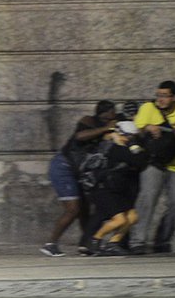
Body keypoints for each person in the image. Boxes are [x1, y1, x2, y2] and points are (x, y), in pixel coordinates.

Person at [40, 100, 118, 257]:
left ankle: (86, 244)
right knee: (73, 209)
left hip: (79, 171)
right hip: (64, 167)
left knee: (85, 209)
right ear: (102, 114)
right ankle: (51, 244)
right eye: (109, 115)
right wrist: (106, 128)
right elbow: (80, 136)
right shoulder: (88, 121)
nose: (112, 118)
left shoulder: (109, 127)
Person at [129, 80, 175, 254]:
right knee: (148, 199)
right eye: (159, 95)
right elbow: (138, 131)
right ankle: (137, 241)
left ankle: (162, 240)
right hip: (154, 162)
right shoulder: (148, 108)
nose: (161, 99)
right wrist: (149, 127)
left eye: (165, 96)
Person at [85, 121, 150, 256]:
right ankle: (94, 240)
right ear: (120, 134)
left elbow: (142, 161)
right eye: (129, 136)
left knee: (132, 217)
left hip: (117, 189)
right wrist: (134, 147)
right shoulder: (113, 149)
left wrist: (132, 147)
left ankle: (113, 243)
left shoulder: (122, 148)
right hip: (104, 189)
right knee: (120, 220)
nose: (131, 139)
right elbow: (139, 161)